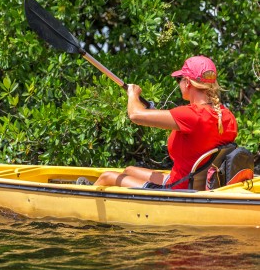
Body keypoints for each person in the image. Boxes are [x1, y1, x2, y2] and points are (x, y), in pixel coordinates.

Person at [94, 55, 238, 189]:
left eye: (179, 79)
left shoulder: (191, 114)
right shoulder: (226, 115)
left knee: (107, 177)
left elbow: (134, 115)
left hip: (177, 189)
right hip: (194, 183)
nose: (179, 83)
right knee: (129, 170)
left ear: (187, 82)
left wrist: (133, 93)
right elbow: (196, 133)